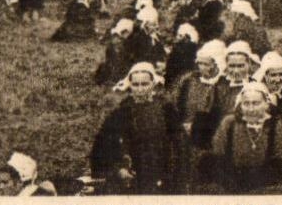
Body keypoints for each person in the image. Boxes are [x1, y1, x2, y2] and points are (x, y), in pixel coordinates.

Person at [90, 63, 180, 194]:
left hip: (161, 171)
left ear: (153, 84)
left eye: (145, 84)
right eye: (135, 85)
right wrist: (119, 169)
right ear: (129, 85)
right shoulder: (121, 112)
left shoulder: (166, 109)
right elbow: (104, 145)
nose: (140, 89)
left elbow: (178, 143)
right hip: (132, 173)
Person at [211, 83, 282, 193]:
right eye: (246, 103)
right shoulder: (229, 123)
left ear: (266, 104)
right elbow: (218, 155)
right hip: (232, 185)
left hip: (266, 187)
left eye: (256, 103)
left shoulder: (275, 124)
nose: (251, 109)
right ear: (240, 105)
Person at [173, 40, 229, 191]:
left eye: (207, 64)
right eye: (200, 63)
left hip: (210, 136)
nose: (202, 67)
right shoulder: (189, 81)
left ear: (217, 64)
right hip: (186, 134)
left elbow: (222, 113)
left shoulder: (223, 84)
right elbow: (177, 104)